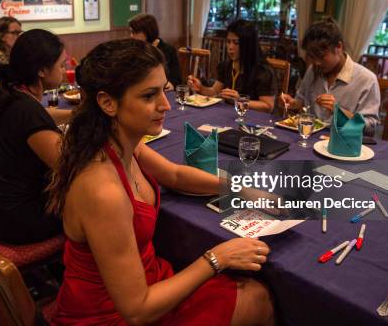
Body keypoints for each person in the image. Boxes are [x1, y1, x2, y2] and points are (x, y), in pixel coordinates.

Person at [47, 39, 274, 325]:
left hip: (147, 281)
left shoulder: (122, 144)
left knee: (254, 293)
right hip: (110, 315)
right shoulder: (102, 190)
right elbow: (137, 310)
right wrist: (217, 258)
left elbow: (175, 175)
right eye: (148, 96)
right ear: (107, 103)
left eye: (164, 90)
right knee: (255, 298)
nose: (165, 105)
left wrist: (240, 188)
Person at [0, 29, 70, 244]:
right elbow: (68, 165)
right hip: (13, 218)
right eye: (62, 65)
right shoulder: (25, 109)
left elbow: (42, 116)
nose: (65, 70)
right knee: (94, 203)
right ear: (42, 71)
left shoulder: (11, 90)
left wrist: (78, 113)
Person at [280, 18, 380, 135]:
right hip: (310, 139)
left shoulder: (366, 80)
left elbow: (370, 127)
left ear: (339, 47)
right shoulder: (313, 71)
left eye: (321, 56)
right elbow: (301, 101)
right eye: (312, 57)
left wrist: (339, 111)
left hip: (344, 143)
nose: (316, 62)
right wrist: (292, 103)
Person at [188, 20, 276, 112]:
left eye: (236, 42)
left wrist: (240, 100)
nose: (230, 47)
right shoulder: (226, 65)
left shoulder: (263, 71)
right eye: (228, 42)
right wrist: (201, 88)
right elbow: (215, 91)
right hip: (228, 116)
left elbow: (268, 106)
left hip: (253, 120)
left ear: (248, 45)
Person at [129, 13, 182, 89]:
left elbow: (177, 79)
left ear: (148, 31)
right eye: (131, 32)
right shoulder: (134, 50)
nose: (131, 36)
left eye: (135, 32)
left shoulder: (168, 50)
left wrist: (171, 84)